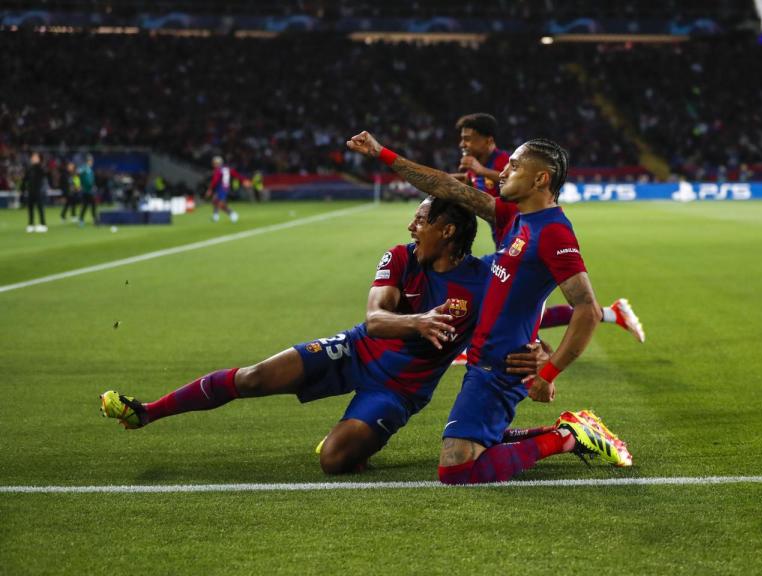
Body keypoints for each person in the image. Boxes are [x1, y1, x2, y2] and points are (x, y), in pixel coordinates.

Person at [101, 197, 516, 473]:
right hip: (353, 349)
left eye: (421, 220)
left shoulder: (481, 283)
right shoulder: (400, 257)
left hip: (400, 390)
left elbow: (512, 322)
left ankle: (359, 438)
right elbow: (375, 318)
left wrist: (536, 350)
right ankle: (148, 411)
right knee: (254, 378)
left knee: (335, 461)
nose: (411, 226)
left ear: (446, 231)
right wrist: (418, 322)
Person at [347, 131, 633, 485]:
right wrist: (384, 154)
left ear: (540, 178)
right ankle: (568, 430)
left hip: (502, 367)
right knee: (472, 446)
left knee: (457, 470)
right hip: (483, 358)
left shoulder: (554, 233)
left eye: (513, 167)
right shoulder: (514, 215)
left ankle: (567, 438)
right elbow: (447, 188)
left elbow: (586, 308)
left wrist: (548, 373)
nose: (502, 173)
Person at [453, 112, 645, 345]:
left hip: (528, 242)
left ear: (488, 141)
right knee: (508, 304)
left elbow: (509, 186)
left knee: (504, 302)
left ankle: (533, 345)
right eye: (462, 138)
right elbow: (475, 187)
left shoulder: (507, 161)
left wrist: (480, 170)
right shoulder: (475, 167)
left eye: (469, 138)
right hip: (507, 242)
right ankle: (608, 315)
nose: (463, 144)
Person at [206, 156, 239, 223]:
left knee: (220, 203)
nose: (213, 164)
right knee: (215, 201)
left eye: (214, 163)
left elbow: (214, 180)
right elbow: (235, 174)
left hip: (222, 188)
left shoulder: (219, 170)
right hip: (223, 187)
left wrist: (210, 189)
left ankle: (231, 214)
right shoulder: (226, 168)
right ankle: (216, 216)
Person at [23, 152, 47, 233]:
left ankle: (43, 224)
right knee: (30, 209)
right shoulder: (29, 168)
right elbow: (25, 179)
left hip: (39, 191)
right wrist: (22, 189)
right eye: (33, 157)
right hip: (30, 191)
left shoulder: (40, 168)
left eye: (35, 157)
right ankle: (31, 224)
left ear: (39, 159)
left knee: (40, 208)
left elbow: (44, 173)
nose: (33, 158)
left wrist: (39, 164)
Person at [78, 155, 97, 226]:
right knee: (92, 205)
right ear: (88, 161)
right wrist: (77, 186)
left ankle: (81, 220)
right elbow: (76, 176)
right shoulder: (84, 169)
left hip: (89, 190)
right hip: (86, 191)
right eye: (91, 161)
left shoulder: (88, 169)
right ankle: (95, 219)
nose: (92, 162)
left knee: (86, 205)